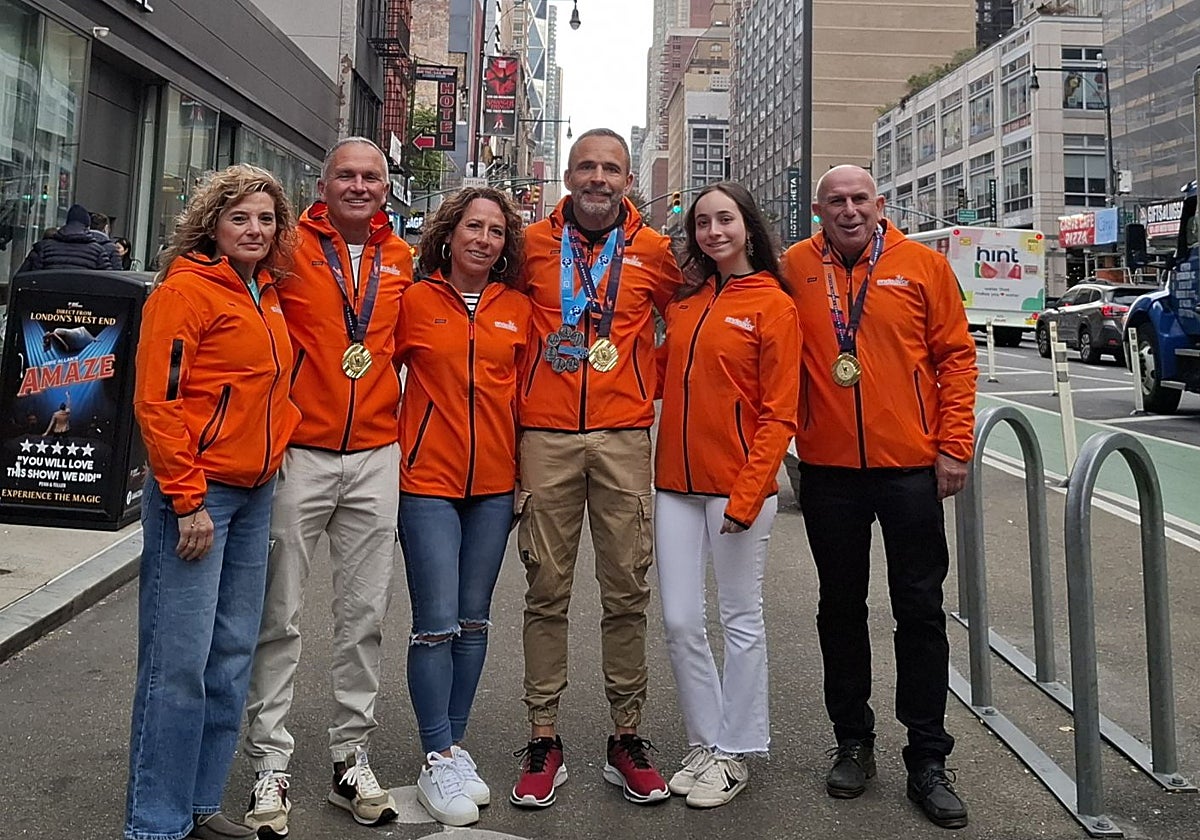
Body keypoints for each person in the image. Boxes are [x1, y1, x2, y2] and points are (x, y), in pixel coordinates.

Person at [780, 165, 977, 829]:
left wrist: (953, 446)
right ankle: (853, 742)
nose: (849, 210)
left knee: (919, 609)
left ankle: (927, 756)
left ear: (880, 204)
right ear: (818, 210)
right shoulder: (794, 267)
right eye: (835, 201)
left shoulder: (922, 266)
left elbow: (955, 357)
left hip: (909, 468)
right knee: (840, 608)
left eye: (859, 198)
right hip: (829, 470)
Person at [242, 137, 414, 836]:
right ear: (323, 182)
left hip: (376, 453)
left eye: (371, 176)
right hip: (301, 455)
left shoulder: (401, 259)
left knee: (364, 617)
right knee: (278, 614)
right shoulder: (286, 248)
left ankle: (351, 756)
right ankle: (270, 763)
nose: (359, 185)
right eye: (346, 174)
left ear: (384, 187)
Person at [510, 127, 684, 810]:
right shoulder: (527, 247)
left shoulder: (656, 253)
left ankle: (627, 736)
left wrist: (646, 381)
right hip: (546, 438)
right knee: (545, 590)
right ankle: (543, 737)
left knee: (626, 591)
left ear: (629, 179)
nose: (598, 178)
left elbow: (689, 319)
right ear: (566, 175)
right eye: (586, 166)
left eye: (612, 168)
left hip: (622, 438)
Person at [126, 164, 301, 840]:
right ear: (213, 225)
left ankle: (199, 808)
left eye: (265, 218)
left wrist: (275, 455)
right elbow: (158, 402)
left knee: (230, 660)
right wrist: (188, 498)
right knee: (179, 667)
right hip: (198, 501)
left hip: (255, 495)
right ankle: (155, 823)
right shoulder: (186, 293)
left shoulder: (267, 293)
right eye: (240, 218)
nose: (255, 229)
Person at [653, 182, 799, 809]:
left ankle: (737, 748)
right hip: (675, 486)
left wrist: (748, 493)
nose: (713, 231)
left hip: (739, 489)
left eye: (725, 220)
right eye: (703, 223)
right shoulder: (687, 302)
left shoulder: (775, 305)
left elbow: (779, 413)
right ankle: (706, 739)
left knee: (741, 619)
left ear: (747, 227)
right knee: (681, 619)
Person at [395, 187, 531, 827]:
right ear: (448, 234)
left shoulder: (519, 310)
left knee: (475, 622)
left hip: (494, 488)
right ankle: (434, 755)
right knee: (437, 622)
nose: (484, 239)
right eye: (473, 227)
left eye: (496, 231)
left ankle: (453, 746)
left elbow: (528, 401)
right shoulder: (413, 302)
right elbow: (366, 377)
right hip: (427, 483)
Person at [15, 203, 122, 272]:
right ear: (87, 226)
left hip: (47, 304)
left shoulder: (44, 248)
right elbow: (110, 282)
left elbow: (25, 278)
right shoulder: (98, 251)